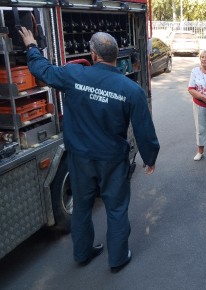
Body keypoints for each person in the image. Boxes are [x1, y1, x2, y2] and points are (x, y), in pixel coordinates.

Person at [19, 28, 160, 272]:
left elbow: (42, 70)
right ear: (116, 56)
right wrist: (150, 158)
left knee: (82, 205)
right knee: (116, 208)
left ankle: (83, 253)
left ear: (93, 55)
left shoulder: (74, 75)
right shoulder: (130, 89)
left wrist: (32, 47)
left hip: (80, 157)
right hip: (112, 159)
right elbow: (144, 130)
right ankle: (117, 259)